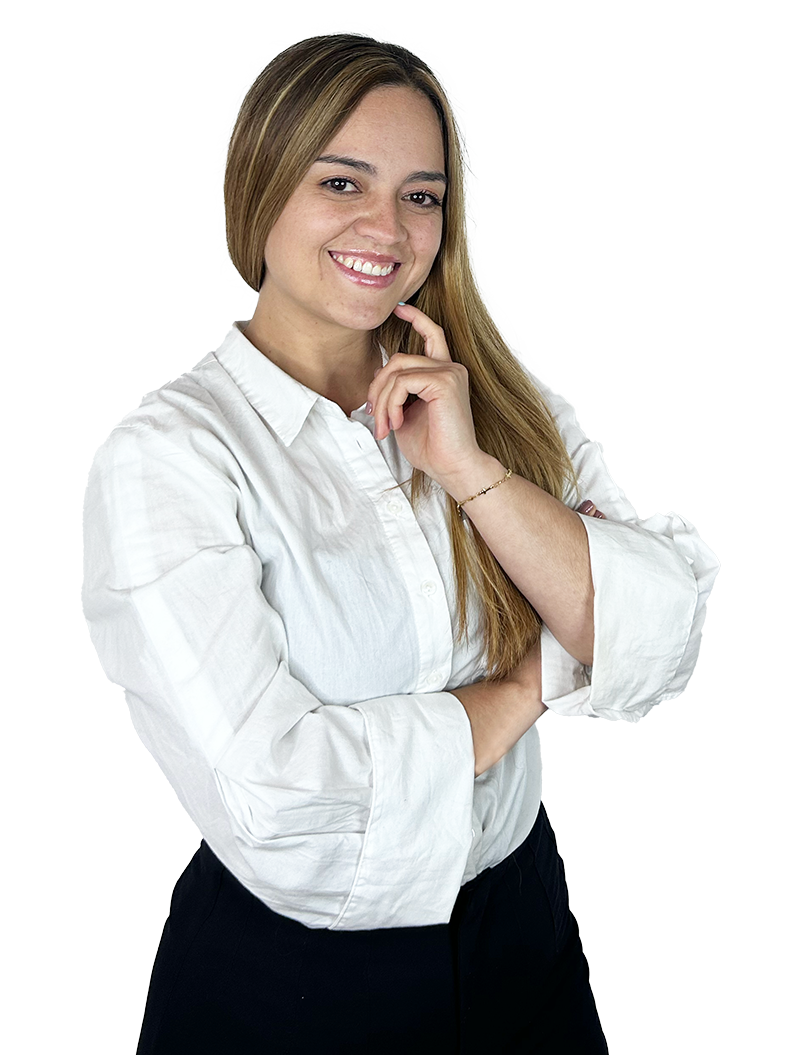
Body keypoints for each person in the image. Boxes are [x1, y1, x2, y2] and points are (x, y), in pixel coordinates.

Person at [81, 32, 719, 1055]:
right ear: (259, 187)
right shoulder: (167, 458)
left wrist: (468, 469)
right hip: (289, 986)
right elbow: (281, 799)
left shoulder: (488, 399)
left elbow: (665, 619)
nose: (386, 227)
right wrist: (535, 679)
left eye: (421, 195)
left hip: (524, 933)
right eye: (342, 182)